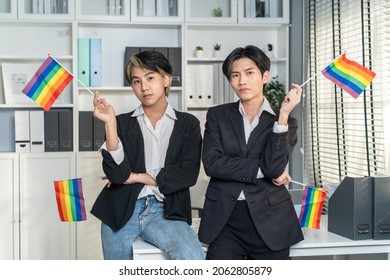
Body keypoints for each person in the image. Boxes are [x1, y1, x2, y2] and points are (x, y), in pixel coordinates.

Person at [90, 50, 205, 260]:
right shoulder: (122, 123)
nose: (144, 87)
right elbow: (117, 175)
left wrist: (136, 176)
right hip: (121, 210)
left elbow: (187, 174)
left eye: (150, 77)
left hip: (165, 211)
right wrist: (110, 123)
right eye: (136, 81)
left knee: (193, 257)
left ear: (166, 79)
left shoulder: (188, 124)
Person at [198, 45, 304, 260]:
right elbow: (212, 164)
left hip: (271, 220)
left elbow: (274, 167)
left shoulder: (286, 122)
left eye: (249, 73)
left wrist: (282, 116)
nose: (241, 81)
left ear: (265, 76)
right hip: (226, 220)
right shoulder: (218, 115)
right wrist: (261, 169)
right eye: (235, 75)